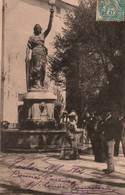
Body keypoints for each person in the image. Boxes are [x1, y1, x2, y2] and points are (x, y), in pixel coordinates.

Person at [25, 8, 54, 89]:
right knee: (36, 69)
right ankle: (35, 84)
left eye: (39, 27)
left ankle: (41, 84)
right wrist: (27, 55)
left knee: (43, 70)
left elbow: (49, 28)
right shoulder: (32, 37)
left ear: (41, 29)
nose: (38, 28)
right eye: (36, 27)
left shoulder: (43, 36)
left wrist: (51, 16)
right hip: (35, 53)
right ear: (34, 29)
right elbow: (28, 47)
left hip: (43, 54)